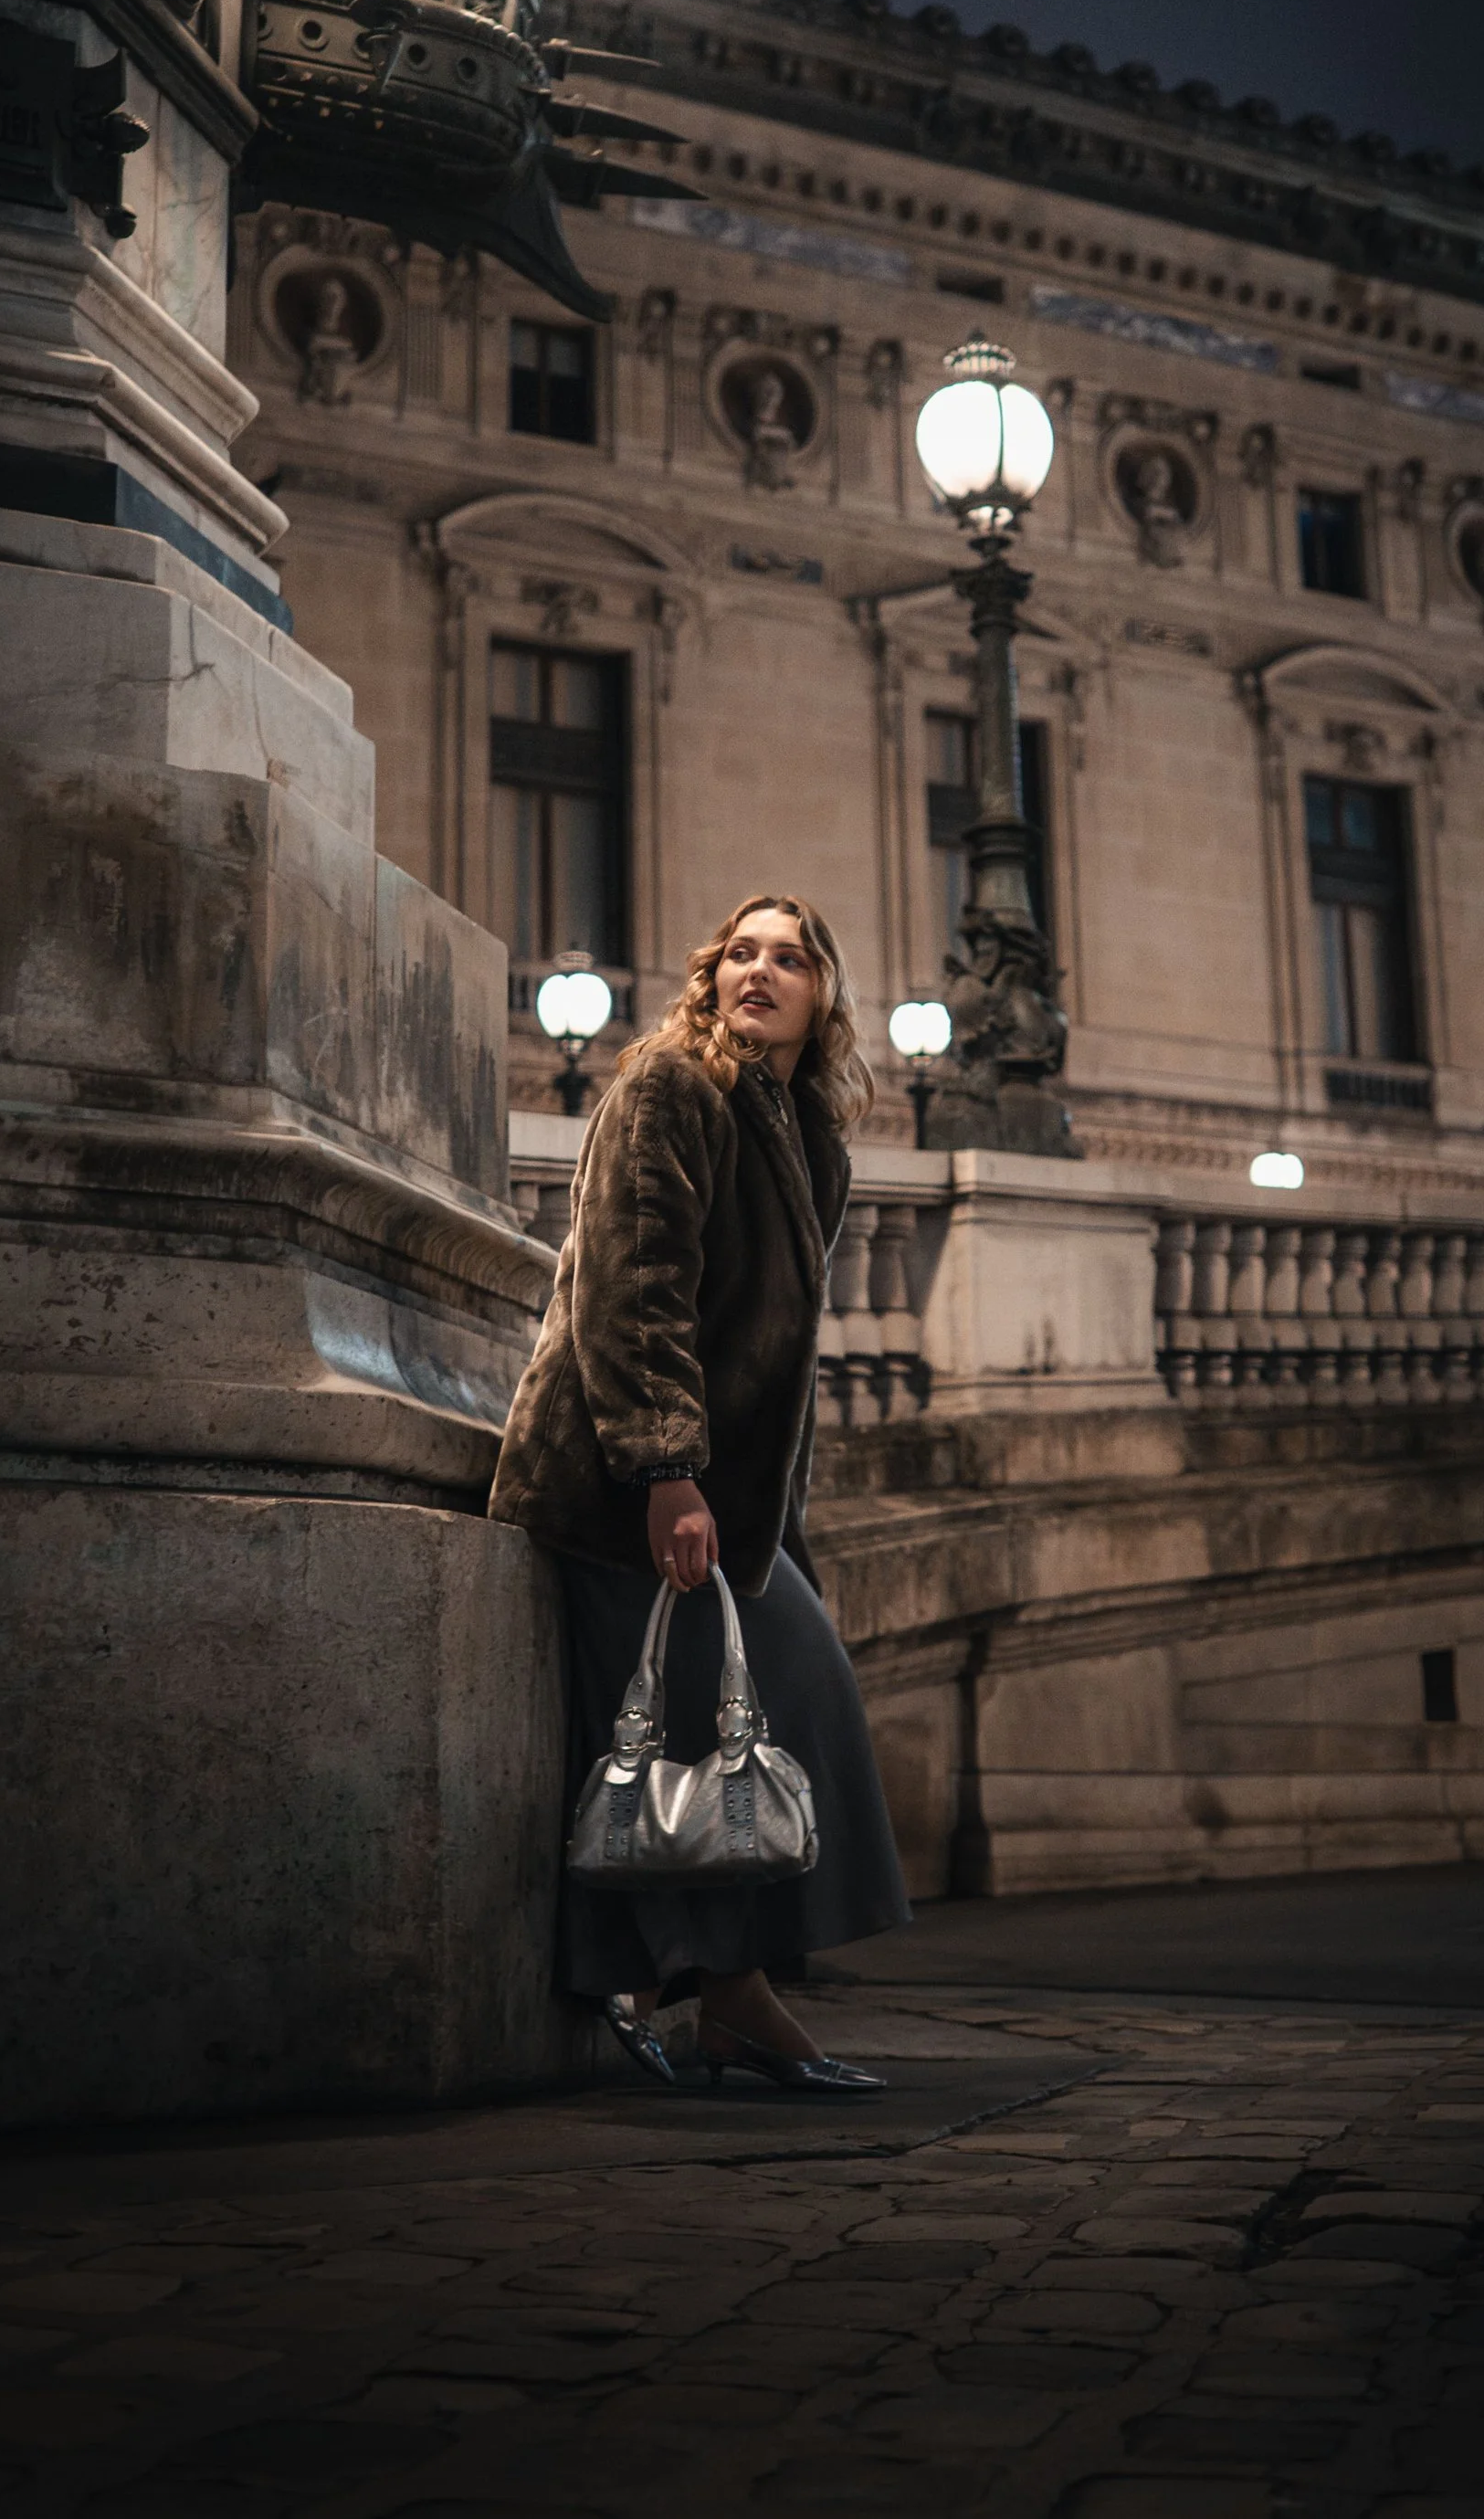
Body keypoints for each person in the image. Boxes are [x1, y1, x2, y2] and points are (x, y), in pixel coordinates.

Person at [490, 894, 911, 2092]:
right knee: (735, 1721)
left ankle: (703, 1999)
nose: (759, 972)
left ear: (823, 994)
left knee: (723, 1736)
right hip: (619, 1487)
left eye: (789, 958)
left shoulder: (804, 1131)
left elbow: (776, 1354)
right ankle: (728, 2001)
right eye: (739, 953)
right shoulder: (671, 1084)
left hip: (720, 1499)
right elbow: (637, 1287)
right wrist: (665, 1470)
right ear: (708, 977)